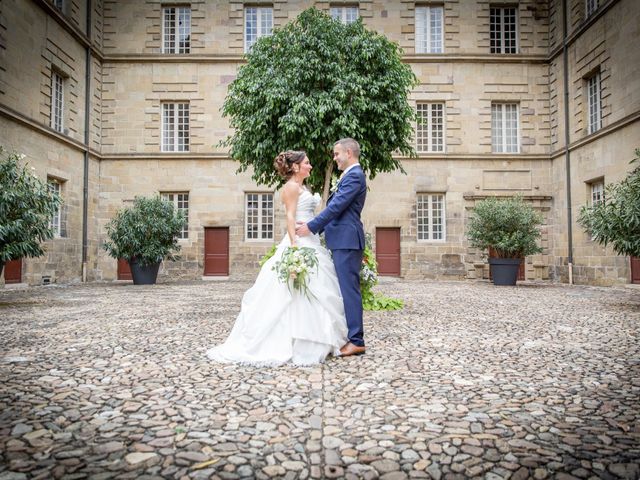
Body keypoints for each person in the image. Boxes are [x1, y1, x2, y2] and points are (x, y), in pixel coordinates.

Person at [206, 150, 348, 366]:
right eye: (307, 163)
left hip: (310, 239)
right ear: (295, 167)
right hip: (298, 242)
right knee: (293, 292)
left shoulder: (302, 187)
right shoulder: (291, 187)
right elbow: (290, 216)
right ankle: (298, 341)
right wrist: (293, 246)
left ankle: (321, 339)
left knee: (318, 289)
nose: (310, 166)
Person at [296, 138, 367, 357]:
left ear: (348, 152)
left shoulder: (355, 176)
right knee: (343, 289)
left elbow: (336, 206)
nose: (334, 158)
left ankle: (356, 341)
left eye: (337, 154)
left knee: (349, 291)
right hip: (341, 240)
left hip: (347, 241)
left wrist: (312, 226)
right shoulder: (349, 175)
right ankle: (350, 336)